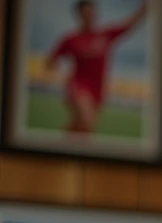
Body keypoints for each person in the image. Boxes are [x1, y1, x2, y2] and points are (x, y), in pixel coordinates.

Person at [44, 0, 148, 134]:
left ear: (96, 13)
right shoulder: (71, 39)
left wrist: (143, 9)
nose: (89, 16)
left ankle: (59, 143)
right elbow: (51, 61)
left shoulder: (105, 35)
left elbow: (127, 26)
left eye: (91, 12)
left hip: (98, 88)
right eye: (85, 13)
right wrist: (55, 67)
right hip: (79, 85)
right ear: (79, 15)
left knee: (81, 129)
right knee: (87, 121)